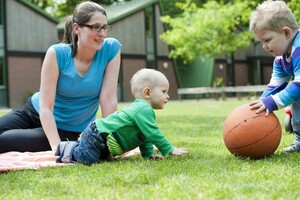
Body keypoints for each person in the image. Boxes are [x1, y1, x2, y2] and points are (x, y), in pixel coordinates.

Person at [0, 1, 121, 153]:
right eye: (95, 27)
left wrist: (109, 141)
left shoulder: (111, 49)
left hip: (65, 129)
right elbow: (46, 107)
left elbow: (108, 98)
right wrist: (58, 149)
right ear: (77, 28)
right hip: (33, 111)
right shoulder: (57, 53)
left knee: (4, 141)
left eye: (104, 27)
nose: (102, 34)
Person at [55, 68, 188, 165]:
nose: (168, 96)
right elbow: (153, 133)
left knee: (100, 159)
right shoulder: (142, 109)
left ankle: (80, 146)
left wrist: (149, 155)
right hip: (98, 136)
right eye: (164, 91)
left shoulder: (144, 111)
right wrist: (169, 149)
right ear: (147, 92)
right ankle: (67, 148)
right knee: (87, 160)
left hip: (105, 143)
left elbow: (145, 135)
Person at [248, 0, 300, 153]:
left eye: (267, 40)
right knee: (295, 98)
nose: (264, 46)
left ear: (286, 32)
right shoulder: (281, 58)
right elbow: (274, 86)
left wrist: (272, 103)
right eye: (261, 42)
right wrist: (261, 105)